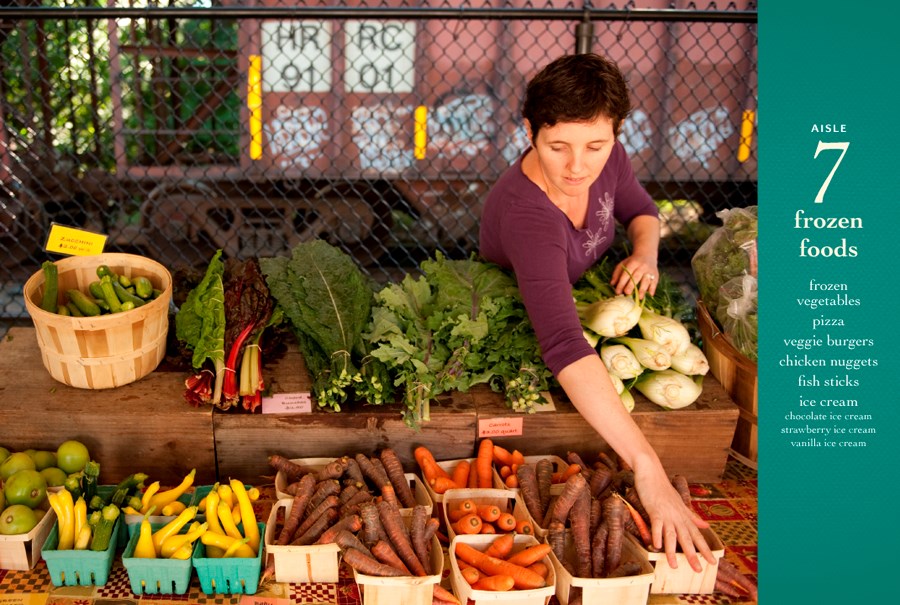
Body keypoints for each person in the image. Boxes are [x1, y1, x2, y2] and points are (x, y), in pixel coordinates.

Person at [479, 53, 715, 571]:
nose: (578, 166)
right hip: (525, 318)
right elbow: (565, 346)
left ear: (615, 134)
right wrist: (648, 470)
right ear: (529, 131)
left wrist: (644, 253)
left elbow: (643, 212)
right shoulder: (528, 217)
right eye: (557, 146)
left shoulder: (611, 158)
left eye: (595, 146)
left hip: (581, 296)